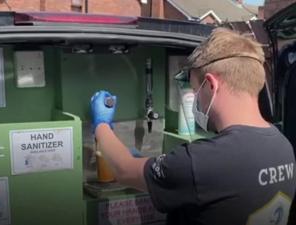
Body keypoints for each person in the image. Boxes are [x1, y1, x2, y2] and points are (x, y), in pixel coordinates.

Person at [90, 28, 296, 225]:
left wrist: (101, 124)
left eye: (196, 89)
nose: (197, 99)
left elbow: (124, 170)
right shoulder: (283, 146)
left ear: (211, 85)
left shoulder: (201, 161)